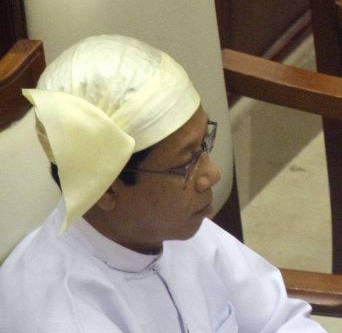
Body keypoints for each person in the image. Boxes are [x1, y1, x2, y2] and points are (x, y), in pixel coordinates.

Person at [0, 34, 324, 332]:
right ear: (108, 189)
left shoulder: (164, 224)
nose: (211, 174)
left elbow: (278, 319)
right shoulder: (66, 318)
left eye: (204, 145)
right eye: (186, 162)